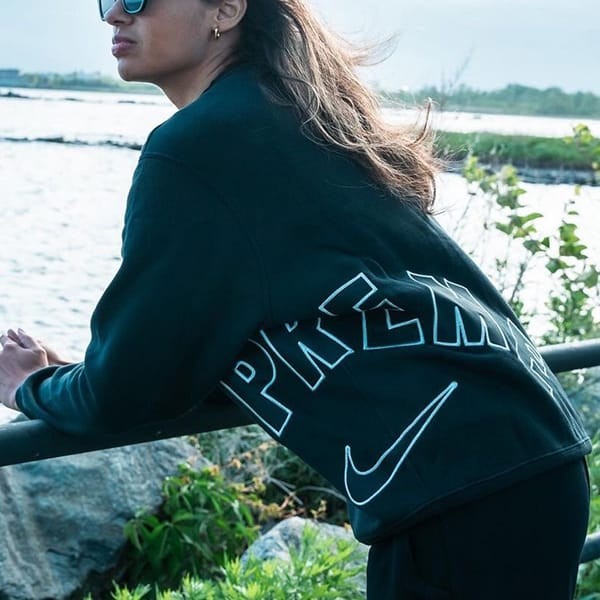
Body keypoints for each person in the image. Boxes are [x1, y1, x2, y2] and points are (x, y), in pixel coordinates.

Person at [0, 0, 592, 597]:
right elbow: (198, 344)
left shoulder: (199, 145)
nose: (114, 16)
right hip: (528, 451)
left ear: (226, 8)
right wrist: (85, 375)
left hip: (461, 489)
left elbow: (128, 389)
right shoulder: (299, 116)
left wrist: (32, 386)